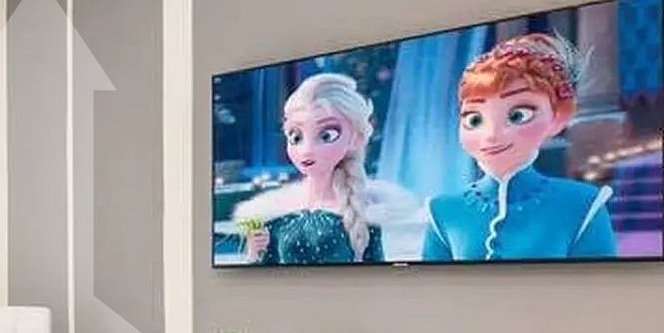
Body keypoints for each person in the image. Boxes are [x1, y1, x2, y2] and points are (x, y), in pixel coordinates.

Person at [421, 32, 617, 261]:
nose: (491, 135)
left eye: (517, 115)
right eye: (474, 120)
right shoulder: (442, 209)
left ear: (558, 117)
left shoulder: (583, 205)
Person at [234, 72, 412, 265]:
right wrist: (254, 253)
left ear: (356, 138)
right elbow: (267, 267)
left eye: (326, 135)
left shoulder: (361, 209)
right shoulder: (276, 211)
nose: (307, 150)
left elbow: (377, 270)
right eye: (296, 137)